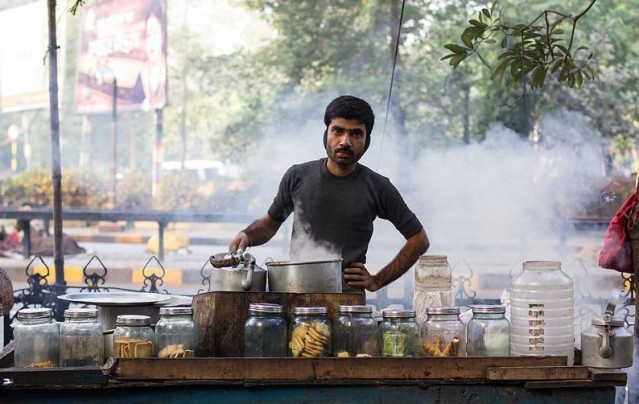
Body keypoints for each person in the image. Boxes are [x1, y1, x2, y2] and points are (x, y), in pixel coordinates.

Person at [229, 95, 429, 293]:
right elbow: (269, 224)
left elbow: (419, 240)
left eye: (356, 134)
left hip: (347, 306)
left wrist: (377, 280)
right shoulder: (297, 175)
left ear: (366, 140)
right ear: (326, 134)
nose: (345, 141)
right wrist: (247, 235)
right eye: (338, 131)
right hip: (296, 295)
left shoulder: (378, 186)